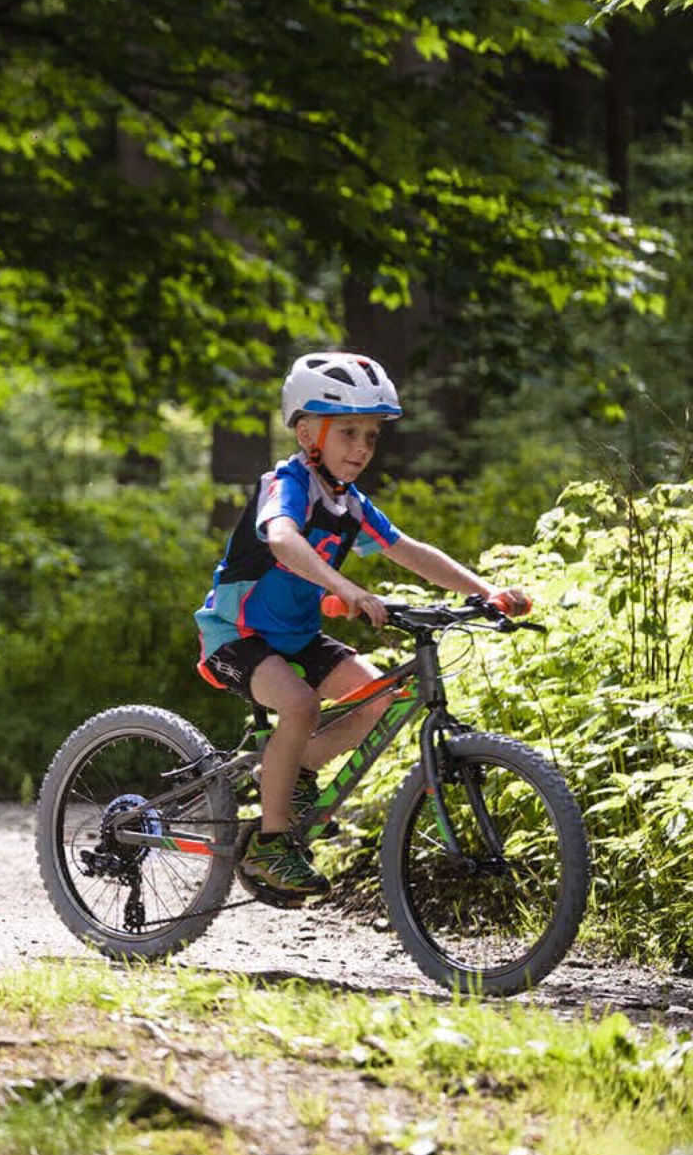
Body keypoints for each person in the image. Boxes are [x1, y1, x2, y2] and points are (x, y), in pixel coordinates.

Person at [194, 351, 532, 900]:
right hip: (236, 633)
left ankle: (293, 769)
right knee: (300, 706)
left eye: (371, 436)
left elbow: (409, 551)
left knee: (381, 696)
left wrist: (484, 591)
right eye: (347, 432)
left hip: (297, 637)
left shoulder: (349, 503)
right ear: (308, 435)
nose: (361, 448)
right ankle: (270, 842)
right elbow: (281, 538)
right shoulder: (288, 484)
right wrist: (344, 588)